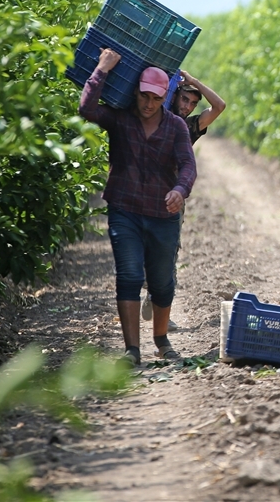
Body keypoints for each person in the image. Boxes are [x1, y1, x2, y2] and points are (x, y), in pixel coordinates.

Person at [79, 49, 197, 365]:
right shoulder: (120, 119)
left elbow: (188, 164)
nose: (148, 104)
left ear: (164, 98)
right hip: (125, 209)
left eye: (155, 99)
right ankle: (132, 350)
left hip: (162, 214)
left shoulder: (176, 127)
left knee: (161, 281)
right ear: (136, 93)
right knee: (129, 275)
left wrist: (180, 189)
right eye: (144, 96)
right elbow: (87, 108)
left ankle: (160, 340)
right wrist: (101, 69)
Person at [141, 69, 226, 329]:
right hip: (142, 192)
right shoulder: (153, 115)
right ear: (174, 96)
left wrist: (195, 82)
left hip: (173, 195)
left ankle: (159, 305)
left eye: (192, 103)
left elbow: (219, 105)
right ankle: (150, 289)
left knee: (169, 250)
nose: (188, 106)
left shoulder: (191, 126)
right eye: (185, 100)